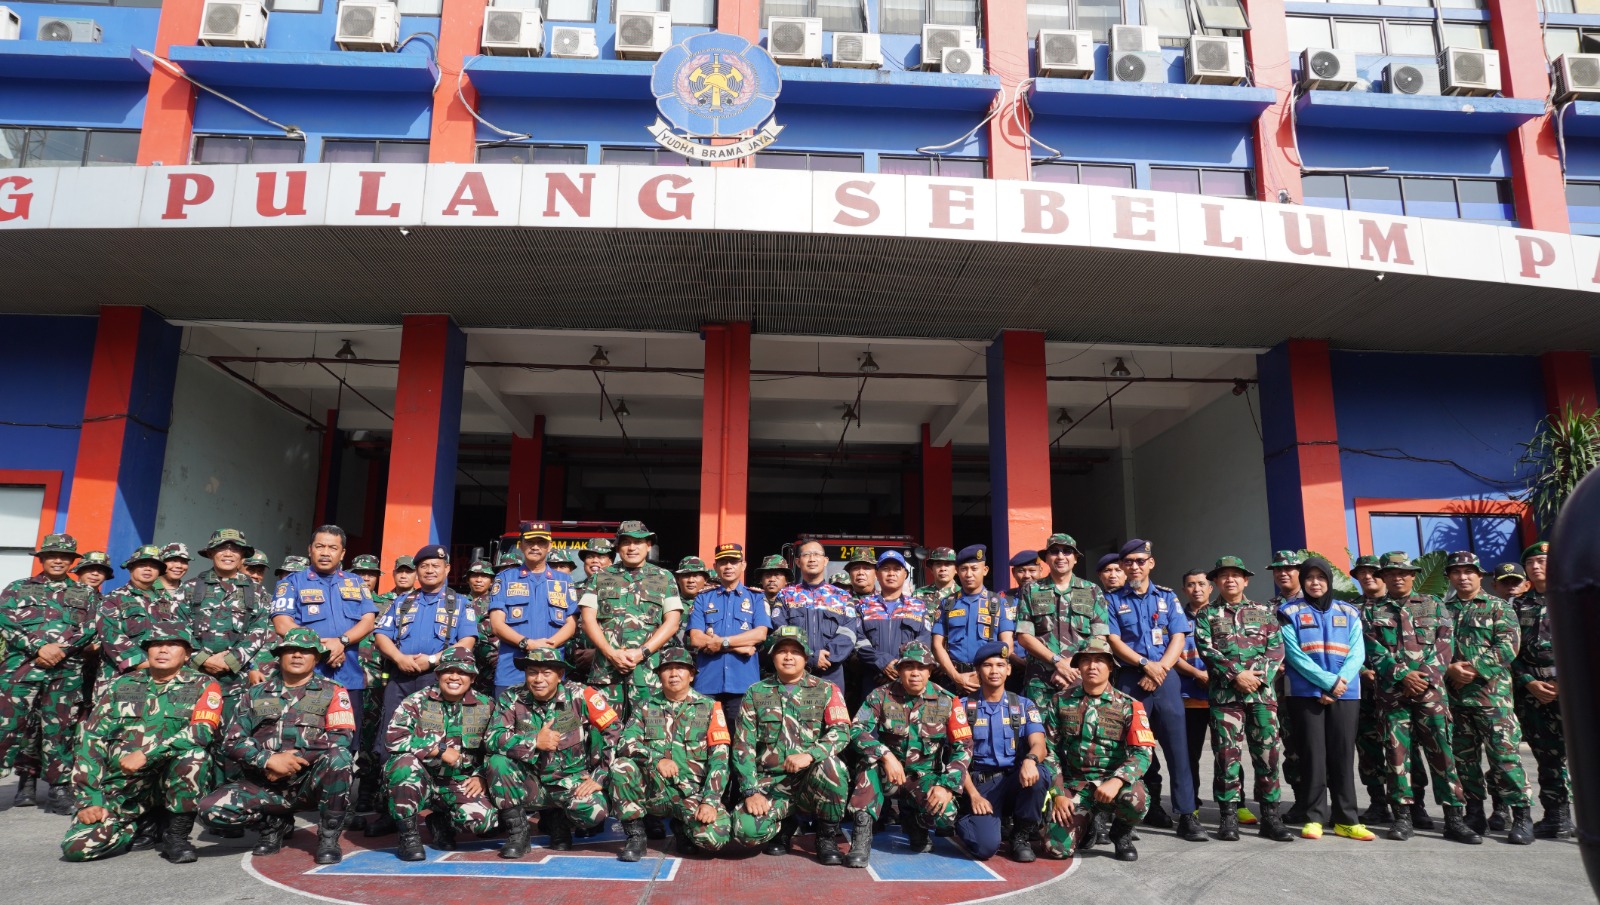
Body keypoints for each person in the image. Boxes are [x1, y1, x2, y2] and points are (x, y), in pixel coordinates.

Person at [61, 623, 221, 863]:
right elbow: (90, 740)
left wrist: (148, 755)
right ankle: (136, 826)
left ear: (187, 654)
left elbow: (201, 731)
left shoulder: (204, 685)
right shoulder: (121, 685)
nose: (162, 650)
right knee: (77, 848)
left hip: (169, 779)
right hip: (125, 786)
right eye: (155, 645)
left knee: (195, 756)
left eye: (172, 645)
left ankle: (176, 835)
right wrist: (89, 800)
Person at [199, 627, 357, 864]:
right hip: (265, 781)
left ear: (316, 658)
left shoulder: (333, 692)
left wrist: (293, 759)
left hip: (309, 782)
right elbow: (231, 741)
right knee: (210, 810)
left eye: (305, 652)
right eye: (290, 650)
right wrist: (268, 760)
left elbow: (342, 736)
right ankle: (273, 824)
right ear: (280, 656)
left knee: (340, 758)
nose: (296, 656)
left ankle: (328, 837)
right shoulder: (253, 694)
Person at [1365, 551, 1478, 844]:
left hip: (1431, 694)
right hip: (1393, 695)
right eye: (1391, 574)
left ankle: (1454, 818)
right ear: (1384, 578)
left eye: (1403, 573)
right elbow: (1372, 650)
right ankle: (1403, 816)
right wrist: (1403, 675)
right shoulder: (1371, 611)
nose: (1397, 578)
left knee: (1442, 753)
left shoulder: (1434, 605)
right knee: (1397, 755)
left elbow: (1444, 645)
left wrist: (1422, 677)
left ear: (1413, 576)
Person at [365, 545, 478, 836]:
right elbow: (381, 635)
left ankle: (439, 808)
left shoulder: (460, 602)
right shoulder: (402, 602)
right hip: (401, 679)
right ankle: (393, 810)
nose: (430, 570)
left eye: (435, 565)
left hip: (439, 680)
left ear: (447, 569)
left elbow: (467, 640)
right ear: (417, 570)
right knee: (391, 742)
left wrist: (432, 660)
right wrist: (400, 658)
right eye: (424, 566)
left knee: (436, 742)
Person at [1103, 539, 1205, 841]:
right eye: (1128, 561)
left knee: (1178, 750)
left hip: (1166, 679)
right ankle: (1129, 816)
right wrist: (1146, 664)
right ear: (1123, 566)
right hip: (1131, 679)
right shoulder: (1111, 600)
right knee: (1130, 750)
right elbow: (1113, 640)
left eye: (1139, 560)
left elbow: (1178, 636)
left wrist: (1159, 668)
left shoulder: (1168, 597)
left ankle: (1187, 815)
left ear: (1151, 563)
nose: (1134, 566)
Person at [844, 640, 973, 868]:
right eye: (909, 667)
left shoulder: (948, 701)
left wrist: (947, 786)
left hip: (924, 777)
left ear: (930, 670)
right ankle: (861, 840)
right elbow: (856, 729)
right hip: (888, 773)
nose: (915, 673)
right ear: (900, 669)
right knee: (868, 766)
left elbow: (963, 745)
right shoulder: (881, 695)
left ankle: (915, 821)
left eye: (922, 667)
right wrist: (884, 754)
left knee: (947, 814)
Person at [484, 647, 622, 858]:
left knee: (596, 811)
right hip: (529, 782)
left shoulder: (581, 694)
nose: (538, 679)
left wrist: (600, 775)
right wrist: (533, 741)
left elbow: (614, 730)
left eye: (547, 673)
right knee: (497, 762)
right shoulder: (511, 697)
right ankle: (518, 835)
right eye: (532, 672)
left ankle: (560, 821)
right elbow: (492, 738)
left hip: (569, 781)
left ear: (559, 675)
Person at [730, 626, 853, 860]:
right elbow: (742, 746)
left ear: (805, 657)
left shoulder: (826, 689)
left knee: (833, 767)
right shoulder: (755, 692)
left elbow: (842, 731)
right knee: (744, 831)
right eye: (782, 651)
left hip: (810, 782)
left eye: (795, 652)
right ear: (772, 656)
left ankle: (826, 837)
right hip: (771, 784)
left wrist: (810, 755)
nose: (788, 657)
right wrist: (751, 791)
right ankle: (783, 828)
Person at [1192, 557, 1293, 842]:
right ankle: (1229, 816)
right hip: (1226, 696)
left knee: (1267, 755)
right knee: (1226, 756)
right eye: (1223, 576)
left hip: (1261, 696)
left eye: (1236, 575)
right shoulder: (1207, 614)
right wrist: (1237, 674)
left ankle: (1271, 816)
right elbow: (1207, 649)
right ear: (1216, 582)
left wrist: (1256, 678)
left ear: (1246, 580)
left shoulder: (1264, 611)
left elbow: (1276, 649)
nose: (1230, 580)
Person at [1037, 637, 1156, 862]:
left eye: (1100, 661)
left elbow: (1143, 753)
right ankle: (1087, 821)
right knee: (1055, 849)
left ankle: (1121, 834)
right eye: (1087, 661)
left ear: (1110, 667)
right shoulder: (1060, 701)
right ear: (1078, 666)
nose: (1092, 666)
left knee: (1137, 799)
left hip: (1112, 785)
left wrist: (1118, 780)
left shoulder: (1129, 705)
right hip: (1075, 785)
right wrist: (1059, 793)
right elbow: (1048, 749)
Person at [1277, 556, 1371, 841]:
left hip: (1346, 693)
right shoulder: (1288, 611)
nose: (1315, 582)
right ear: (1302, 581)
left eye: (1321, 577)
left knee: (1343, 755)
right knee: (1312, 756)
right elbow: (1293, 654)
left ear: (1329, 581)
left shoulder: (1350, 611)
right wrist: (1329, 683)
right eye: (1309, 578)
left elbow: (1358, 653)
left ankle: (1346, 818)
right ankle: (1314, 816)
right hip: (1306, 693)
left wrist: (1339, 683)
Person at [1443, 551, 1533, 844]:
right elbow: (1433, 648)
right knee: (1464, 762)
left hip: (1493, 699)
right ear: (1450, 577)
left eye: (1469, 571)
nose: (1463, 577)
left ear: (1479, 576)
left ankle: (1521, 816)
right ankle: (1475, 813)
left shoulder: (1498, 607)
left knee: (1505, 759)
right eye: (1457, 572)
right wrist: (1449, 669)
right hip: (1456, 700)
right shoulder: (1442, 610)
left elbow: (1508, 646)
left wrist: (1474, 668)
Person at [0, 533, 94, 814]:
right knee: (6, 727)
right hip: (21, 670)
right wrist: (39, 647)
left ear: (72, 562)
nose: (58, 560)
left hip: (65, 672)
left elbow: (89, 628)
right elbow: (5, 621)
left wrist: (61, 650)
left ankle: (58, 787)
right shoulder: (18, 588)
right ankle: (22, 782)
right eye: (52, 555)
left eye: (65, 557)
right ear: (41, 559)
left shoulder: (85, 593)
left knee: (60, 730)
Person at [610, 647, 733, 860]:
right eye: (667, 669)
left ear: (692, 674)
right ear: (659, 675)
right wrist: (656, 759)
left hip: (690, 793)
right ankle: (636, 836)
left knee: (715, 837)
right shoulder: (646, 706)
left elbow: (720, 759)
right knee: (621, 766)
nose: (674, 674)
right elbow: (625, 742)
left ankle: (683, 827)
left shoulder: (710, 707)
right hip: (652, 791)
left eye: (680, 669)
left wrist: (710, 801)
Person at [270, 525, 377, 759]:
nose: (325, 552)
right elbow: (282, 623)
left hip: (348, 678)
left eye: (332, 547)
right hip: (306, 680)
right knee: (302, 742)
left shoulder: (356, 583)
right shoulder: (291, 583)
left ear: (343, 553)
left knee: (347, 746)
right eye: (320, 546)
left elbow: (368, 620)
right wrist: (322, 647)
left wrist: (342, 641)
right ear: (310, 550)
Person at [384, 646, 497, 861]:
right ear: (438, 674)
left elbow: (495, 747)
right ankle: (409, 836)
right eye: (449, 671)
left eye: (462, 672)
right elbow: (393, 739)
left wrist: (481, 775)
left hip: (458, 780)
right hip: (420, 778)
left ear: (472, 678)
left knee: (484, 820)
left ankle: (442, 822)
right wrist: (438, 749)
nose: (455, 677)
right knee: (403, 764)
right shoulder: (416, 702)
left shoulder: (487, 706)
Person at [579, 520, 682, 721]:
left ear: (649, 546)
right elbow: (587, 619)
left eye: (638, 542)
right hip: (606, 674)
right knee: (604, 734)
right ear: (617, 548)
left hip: (647, 674)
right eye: (626, 542)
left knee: (647, 736)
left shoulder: (664, 577)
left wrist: (642, 652)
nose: (632, 547)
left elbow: (672, 622)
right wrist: (610, 653)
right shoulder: (600, 577)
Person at [955, 641, 1049, 862]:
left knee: (1040, 774)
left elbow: (1039, 744)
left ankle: (1021, 836)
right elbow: (956, 758)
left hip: (1015, 779)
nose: (994, 671)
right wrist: (974, 795)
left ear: (1009, 670)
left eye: (1000, 664)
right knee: (985, 849)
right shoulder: (961, 707)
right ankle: (963, 817)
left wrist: (1030, 760)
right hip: (980, 784)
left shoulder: (1025, 705)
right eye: (987, 665)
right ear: (978, 671)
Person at [173, 529, 273, 731]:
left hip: (238, 681)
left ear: (243, 556)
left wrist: (230, 660)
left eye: (235, 549)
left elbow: (260, 629)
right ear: (210, 553)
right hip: (193, 677)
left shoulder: (258, 592)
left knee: (231, 741)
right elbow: (177, 627)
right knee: (189, 735)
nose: (228, 554)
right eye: (221, 548)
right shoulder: (189, 588)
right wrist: (202, 659)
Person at [1510, 540, 1572, 839]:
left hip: (1574, 692)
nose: (1536, 566)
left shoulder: (1577, 598)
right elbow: (1511, 652)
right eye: (1531, 562)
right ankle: (1557, 817)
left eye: (1543, 561)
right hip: (1533, 691)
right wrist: (1529, 683)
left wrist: (1563, 683)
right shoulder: (1518, 605)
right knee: (1546, 756)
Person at [486, 522, 578, 698]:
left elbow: (571, 624)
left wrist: (547, 647)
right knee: (506, 723)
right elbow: (497, 624)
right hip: (512, 671)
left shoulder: (564, 581)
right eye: (530, 542)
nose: (535, 547)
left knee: (551, 723)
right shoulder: (505, 578)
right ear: (521, 544)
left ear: (550, 546)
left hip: (550, 671)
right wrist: (528, 644)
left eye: (541, 542)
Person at [1014, 534, 1109, 706]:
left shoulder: (1092, 590)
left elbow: (1100, 638)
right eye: (1054, 552)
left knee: (1081, 732)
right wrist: (1057, 662)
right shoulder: (1031, 590)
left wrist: (1071, 667)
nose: (1060, 556)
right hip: (1040, 683)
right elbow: (1024, 637)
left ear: (1075, 559)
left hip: (1080, 679)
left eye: (1067, 552)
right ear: (1047, 559)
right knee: (1039, 732)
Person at [686, 543, 771, 726]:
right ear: (715, 567)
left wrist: (723, 643)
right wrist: (740, 647)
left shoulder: (756, 597)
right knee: (703, 737)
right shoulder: (703, 597)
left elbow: (760, 634)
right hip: (708, 681)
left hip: (743, 682)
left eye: (733, 561)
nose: (728, 566)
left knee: (740, 738)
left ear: (743, 565)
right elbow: (696, 638)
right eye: (723, 562)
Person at [771, 540, 864, 692]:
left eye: (817, 555)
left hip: (830, 672)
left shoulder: (841, 596)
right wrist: (811, 657)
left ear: (825, 560)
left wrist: (827, 657)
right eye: (806, 555)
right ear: (798, 562)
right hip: (794, 672)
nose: (812, 559)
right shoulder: (787, 595)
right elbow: (780, 630)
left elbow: (849, 633)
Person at [931, 545, 1015, 696]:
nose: (968, 574)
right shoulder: (947, 603)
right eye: (964, 569)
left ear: (985, 570)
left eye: (974, 568)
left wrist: (981, 675)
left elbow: (1007, 645)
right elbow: (937, 645)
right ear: (958, 571)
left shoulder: (998, 602)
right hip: (952, 680)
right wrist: (956, 677)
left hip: (989, 681)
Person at [93, 545, 183, 685]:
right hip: (122, 677)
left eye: (153, 566)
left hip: (162, 675)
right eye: (142, 565)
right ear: (131, 568)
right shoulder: (114, 598)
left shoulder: (166, 600)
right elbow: (110, 633)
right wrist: (144, 663)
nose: (148, 569)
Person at [855, 551, 932, 699]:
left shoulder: (918, 607)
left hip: (908, 682)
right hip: (873, 681)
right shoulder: (863, 606)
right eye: (885, 569)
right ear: (877, 574)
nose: (891, 573)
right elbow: (858, 640)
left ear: (905, 575)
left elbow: (924, 640)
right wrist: (883, 663)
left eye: (897, 569)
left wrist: (900, 667)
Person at [1174, 569, 1212, 817]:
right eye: (1190, 585)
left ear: (1211, 587)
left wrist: (1216, 674)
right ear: (1185, 590)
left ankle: (1237, 804)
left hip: (1222, 697)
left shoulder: (1221, 615)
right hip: (1189, 698)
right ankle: (1192, 804)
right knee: (1190, 755)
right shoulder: (1177, 618)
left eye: (1201, 584)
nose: (1196, 588)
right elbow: (1171, 654)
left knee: (1227, 755)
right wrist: (1197, 674)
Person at [914, 547, 959, 619]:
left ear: (956, 569)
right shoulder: (918, 595)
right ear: (931, 569)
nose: (943, 569)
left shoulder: (963, 595)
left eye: (948, 564)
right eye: (938, 564)